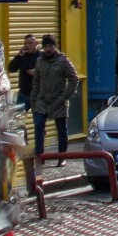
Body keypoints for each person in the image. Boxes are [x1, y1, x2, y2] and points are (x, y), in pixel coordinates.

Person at [30, 34, 79, 167]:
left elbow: (74, 79)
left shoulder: (63, 61)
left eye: (50, 46)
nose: (48, 49)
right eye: (45, 46)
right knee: (39, 126)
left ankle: (61, 157)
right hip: (42, 101)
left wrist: (64, 97)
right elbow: (35, 83)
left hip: (58, 101)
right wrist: (33, 102)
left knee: (61, 130)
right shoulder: (39, 61)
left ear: (55, 46)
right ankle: (40, 156)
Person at [8, 34, 39, 110]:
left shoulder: (42, 57)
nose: (27, 45)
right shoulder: (22, 56)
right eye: (25, 43)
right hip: (24, 93)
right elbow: (11, 69)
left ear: (36, 43)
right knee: (16, 117)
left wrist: (37, 72)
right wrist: (19, 56)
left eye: (30, 43)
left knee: (38, 120)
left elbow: (51, 73)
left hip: (39, 95)